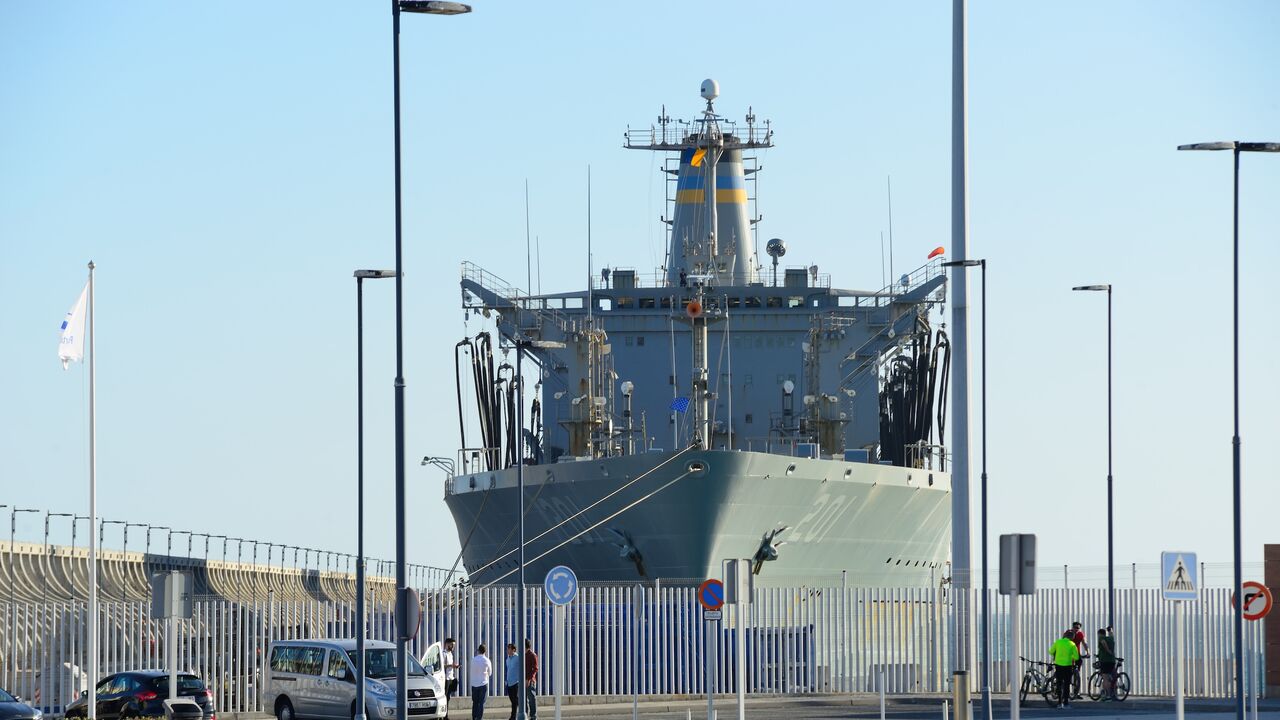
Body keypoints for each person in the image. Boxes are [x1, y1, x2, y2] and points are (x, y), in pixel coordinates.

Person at [1049, 629, 1080, 707]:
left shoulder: (1058, 642)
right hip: (1067, 666)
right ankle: (1066, 702)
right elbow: (1076, 657)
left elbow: (1050, 651)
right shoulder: (1072, 644)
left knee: (1059, 683)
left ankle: (1059, 702)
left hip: (1058, 665)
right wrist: (1071, 656)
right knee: (1066, 684)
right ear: (1072, 637)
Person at [470, 644, 491, 720]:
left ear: (478, 650)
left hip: (474, 684)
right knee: (481, 703)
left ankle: (474, 717)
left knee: (475, 702)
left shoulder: (473, 659)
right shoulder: (487, 660)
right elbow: (490, 673)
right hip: (483, 683)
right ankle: (479, 718)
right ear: (485, 651)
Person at [1069, 621, 1089, 698]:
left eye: (1078, 628)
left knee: (1077, 675)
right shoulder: (1068, 633)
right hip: (1068, 656)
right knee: (1068, 674)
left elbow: (1084, 643)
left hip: (1077, 655)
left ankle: (1076, 693)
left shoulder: (1080, 634)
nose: (1076, 629)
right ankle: (1065, 692)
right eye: (1075, 627)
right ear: (1072, 627)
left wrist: (1088, 652)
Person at [1096, 626, 1117, 699]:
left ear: (1099, 634)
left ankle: (1108, 695)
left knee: (1105, 678)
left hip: (1105, 660)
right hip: (1112, 661)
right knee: (1112, 677)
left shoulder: (1101, 638)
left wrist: (1108, 651)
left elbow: (1103, 643)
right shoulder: (1111, 638)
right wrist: (1110, 630)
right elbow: (1111, 634)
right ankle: (1112, 693)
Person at [503, 644, 520, 720]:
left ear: (514, 650)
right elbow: (509, 671)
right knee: (513, 700)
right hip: (509, 683)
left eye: (509, 649)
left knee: (515, 701)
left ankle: (513, 716)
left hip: (516, 682)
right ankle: (514, 715)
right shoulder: (508, 659)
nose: (508, 651)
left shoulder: (518, 658)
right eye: (507, 649)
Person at [524, 638, 540, 720]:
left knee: (531, 699)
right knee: (524, 699)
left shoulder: (532, 655)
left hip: (530, 681)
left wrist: (529, 679)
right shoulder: (524, 655)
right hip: (523, 681)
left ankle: (533, 716)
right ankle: (525, 715)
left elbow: (535, 669)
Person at [442, 638, 459, 707]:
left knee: (448, 697)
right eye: (452, 645)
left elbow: (450, 666)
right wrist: (451, 665)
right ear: (447, 644)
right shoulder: (443, 654)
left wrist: (455, 666)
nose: (453, 647)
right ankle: (443, 715)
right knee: (445, 696)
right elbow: (441, 666)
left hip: (451, 677)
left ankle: (446, 714)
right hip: (446, 678)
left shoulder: (450, 654)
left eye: (454, 645)